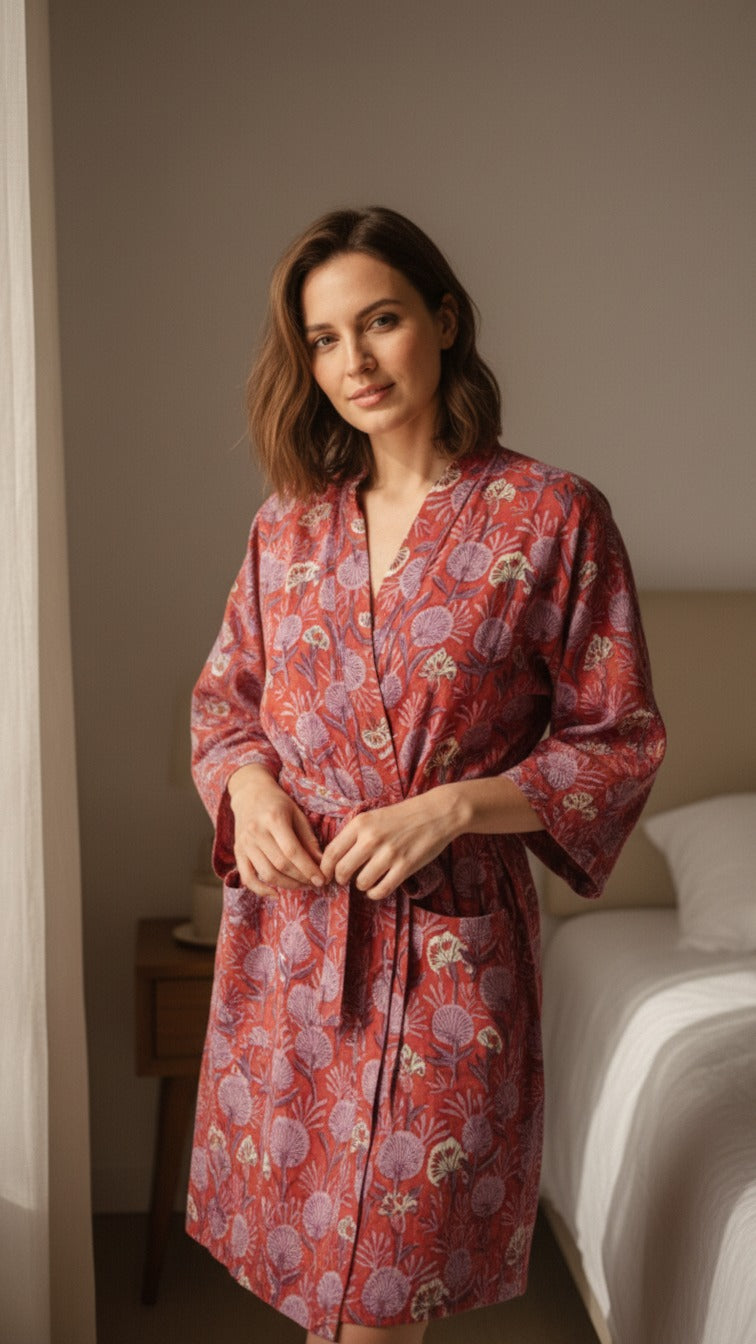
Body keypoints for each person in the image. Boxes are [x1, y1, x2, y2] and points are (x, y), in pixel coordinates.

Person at [187, 206, 666, 1344]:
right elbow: (226, 709)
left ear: (444, 321)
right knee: (326, 1296)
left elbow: (618, 736)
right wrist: (249, 793)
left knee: (380, 1302)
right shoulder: (287, 530)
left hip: (452, 956)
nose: (353, 360)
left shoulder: (554, 517)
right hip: (292, 955)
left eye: (382, 321)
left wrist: (456, 808)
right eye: (323, 337)